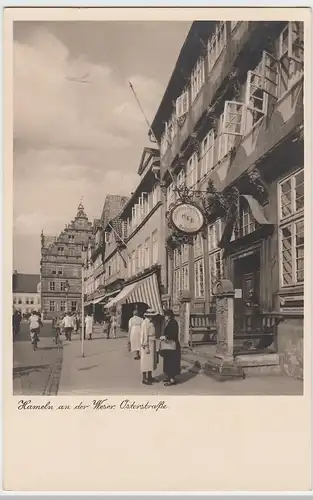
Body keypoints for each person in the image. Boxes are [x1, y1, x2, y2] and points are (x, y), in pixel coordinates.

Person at [160, 309, 181, 386]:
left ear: (168, 316)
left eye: (165, 315)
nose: (164, 317)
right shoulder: (168, 322)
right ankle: (169, 376)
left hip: (172, 345)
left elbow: (173, 334)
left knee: (171, 362)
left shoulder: (173, 323)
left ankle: (172, 379)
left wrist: (165, 337)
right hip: (168, 345)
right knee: (168, 361)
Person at [140, 309, 158, 385]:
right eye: (151, 316)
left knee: (150, 361)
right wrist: (145, 346)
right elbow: (144, 335)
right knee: (145, 361)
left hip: (152, 342)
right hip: (147, 343)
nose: (152, 317)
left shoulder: (151, 322)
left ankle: (150, 376)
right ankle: (144, 378)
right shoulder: (145, 323)